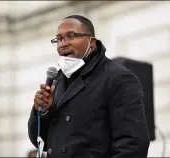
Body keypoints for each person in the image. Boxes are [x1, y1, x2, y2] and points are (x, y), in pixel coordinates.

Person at [28, 15, 150, 158]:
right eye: (59, 39)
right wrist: (41, 112)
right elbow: (43, 141)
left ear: (91, 42)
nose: (63, 43)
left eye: (71, 36)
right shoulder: (58, 80)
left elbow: (133, 145)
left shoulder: (118, 78)